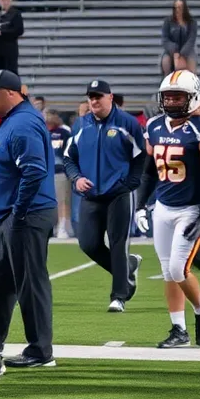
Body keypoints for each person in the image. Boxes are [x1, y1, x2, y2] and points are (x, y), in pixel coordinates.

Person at [0, 69, 57, 368]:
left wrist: (19, 211)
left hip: (26, 214)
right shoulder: (15, 120)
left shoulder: (22, 124)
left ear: (10, 93)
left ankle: (40, 350)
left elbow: (34, 170)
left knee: (29, 282)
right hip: (8, 213)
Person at [133, 72, 200, 349]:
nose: (170, 101)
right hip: (164, 207)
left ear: (192, 98)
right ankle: (178, 330)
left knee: (179, 268)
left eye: (177, 96)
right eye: (167, 96)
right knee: (168, 271)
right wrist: (142, 205)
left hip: (191, 209)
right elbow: (148, 172)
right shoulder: (154, 126)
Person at [62, 80, 145, 311]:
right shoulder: (80, 125)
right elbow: (69, 158)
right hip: (90, 195)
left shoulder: (128, 123)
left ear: (110, 97)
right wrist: (76, 178)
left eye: (99, 96)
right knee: (88, 244)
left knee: (118, 245)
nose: (94, 100)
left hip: (118, 194)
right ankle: (128, 267)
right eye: (91, 97)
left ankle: (119, 296)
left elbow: (141, 157)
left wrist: (129, 184)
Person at [47, 111, 72, 239]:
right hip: (46, 172)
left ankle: (63, 227)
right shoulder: (43, 134)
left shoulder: (64, 133)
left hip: (60, 171)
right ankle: (53, 226)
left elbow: (69, 153)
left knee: (63, 201)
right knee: (49, 202)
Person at [161, 0, 197, 74]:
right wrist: (174, 50)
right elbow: (165, 39)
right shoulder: (168, 21)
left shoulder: (192, 22)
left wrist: (182, 54)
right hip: (171, 50)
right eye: (175, 8)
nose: (177, 10)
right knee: (165, 61)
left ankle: (192, 80)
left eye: (180, 7)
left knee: (192, 61)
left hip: (187, 50)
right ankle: (166, 78)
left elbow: (191, 39)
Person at [0, 0, 23, 72]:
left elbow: (19, 30)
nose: (4, 2)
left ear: (10, 1)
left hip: (10, 49)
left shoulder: (15, 14)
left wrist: (1, 33)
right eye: (1, 0)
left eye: (5, 0)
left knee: (11, 73)